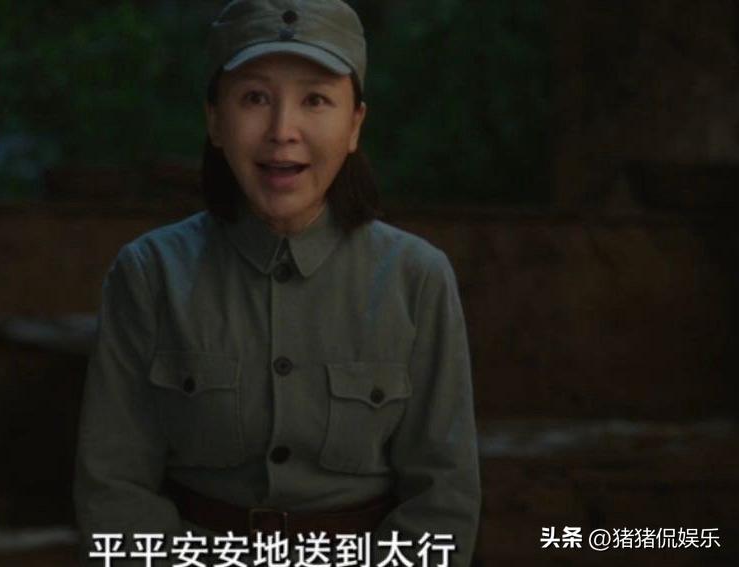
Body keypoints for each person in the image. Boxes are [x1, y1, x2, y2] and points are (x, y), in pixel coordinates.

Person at [73, 0, 481, 565]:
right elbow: (114, 490)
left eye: (315, 100)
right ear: (215, 120)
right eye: (254, 98)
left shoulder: (416, 279)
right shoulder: (149, 274)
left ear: (354, 124)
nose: (282, 131)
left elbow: (443, 499)